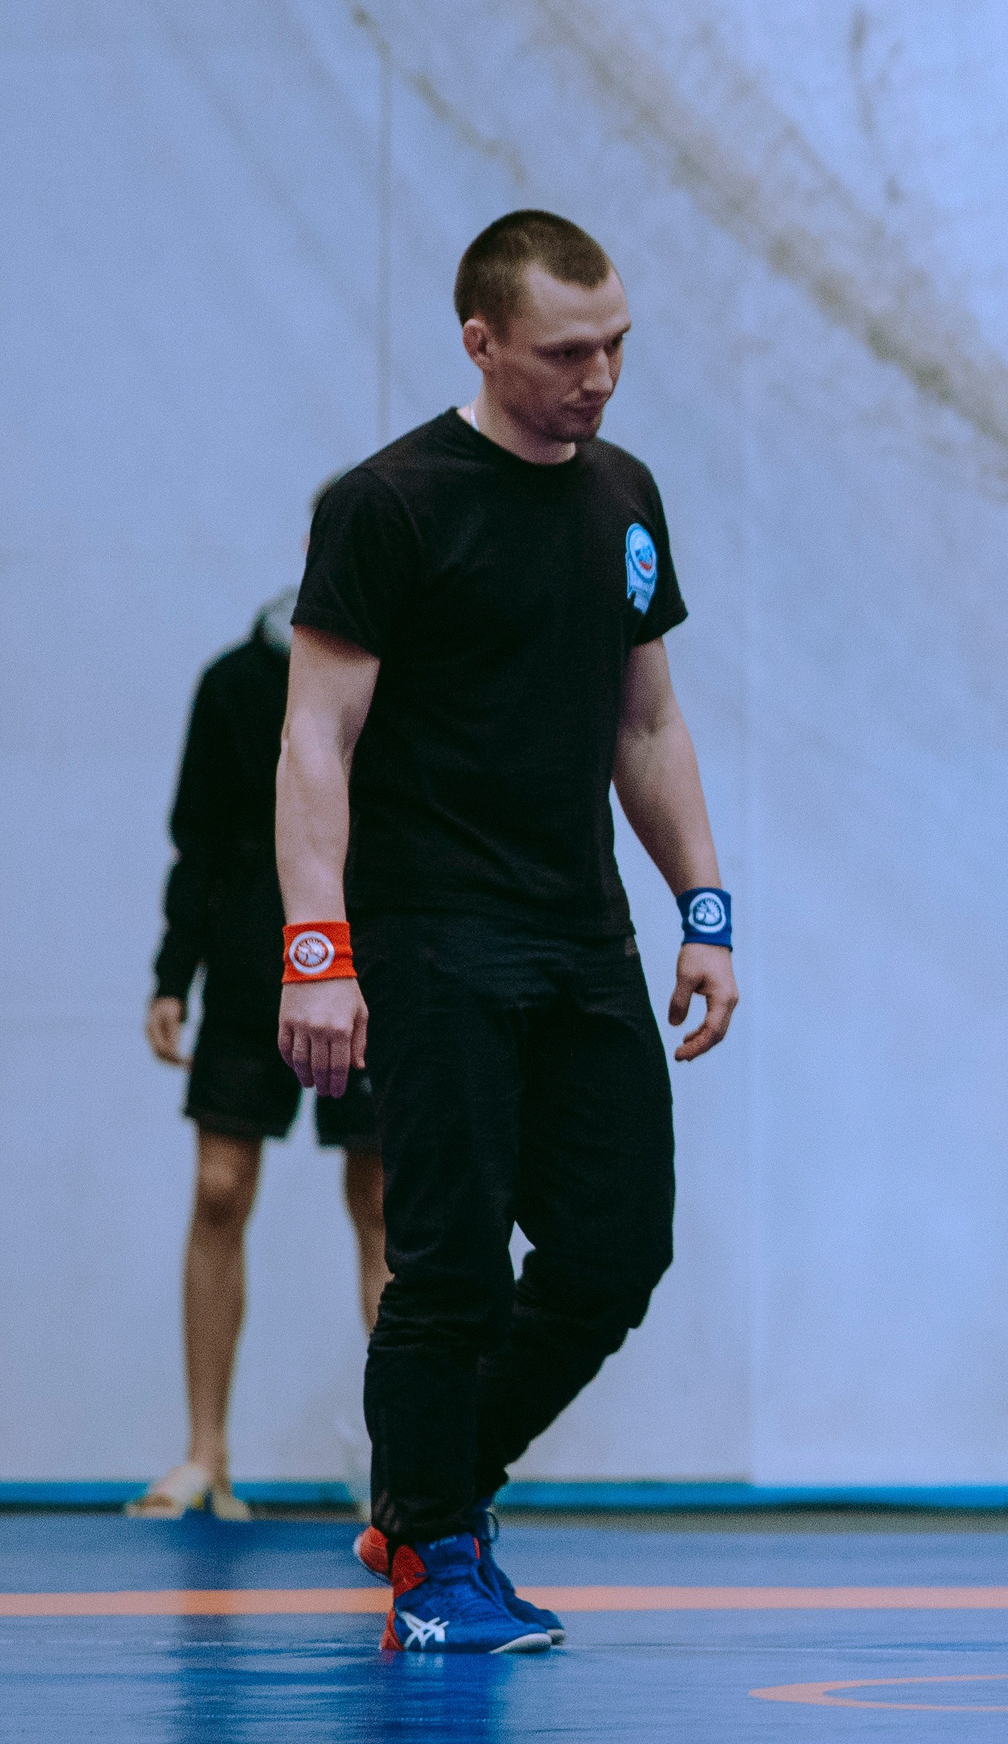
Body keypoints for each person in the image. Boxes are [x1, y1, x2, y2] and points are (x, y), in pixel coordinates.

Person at [278, 210, 738, 1655]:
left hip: (578, 935)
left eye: (615, 346)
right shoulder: (388, 504)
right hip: (430, 938)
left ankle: (430, 1495)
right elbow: (313, 742)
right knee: (456, 1265)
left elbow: (647, 721)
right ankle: (435, 1558)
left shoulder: (626, 496)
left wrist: (704, 913)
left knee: (617, 1251)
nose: (599, 377)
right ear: (482, 342)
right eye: (566, 352)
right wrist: (318, 952)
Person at [134, 582, 387, 1521]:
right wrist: (172, 975)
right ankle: (206, 1454)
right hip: (248, 967)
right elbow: (195, 840)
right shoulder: (237, 682)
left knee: (385, 1198)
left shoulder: (407, 681)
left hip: (374, 963)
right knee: (219, 1188)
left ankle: (401, 1467)